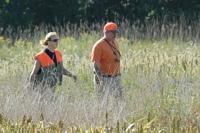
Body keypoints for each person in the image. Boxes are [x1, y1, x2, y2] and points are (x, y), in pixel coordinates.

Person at [91, 22, 122, 99]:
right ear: (106, 32)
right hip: (104, 79)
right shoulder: (98, 45)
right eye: (113, 33)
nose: (115, 35)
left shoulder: (115, 42)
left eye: (116, 33)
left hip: (116, 78)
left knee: (119, 101)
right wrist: (101, 80)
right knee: (103, 102)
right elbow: (95, 63)